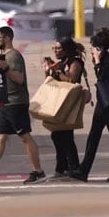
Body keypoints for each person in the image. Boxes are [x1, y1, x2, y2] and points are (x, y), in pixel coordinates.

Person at [0, 26, 47, 185]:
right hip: (5, 103)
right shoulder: (5, 56)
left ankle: (38, 171)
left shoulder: (14, 56)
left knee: (25, 136)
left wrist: (5, 69)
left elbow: (19, 78)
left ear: (7, 38)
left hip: (16, 103)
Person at [69, 28, 109, 182]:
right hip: (104, 105)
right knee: (94, 137)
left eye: (92, 47)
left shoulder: (107, 61)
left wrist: (97, 62)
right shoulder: (106, 59)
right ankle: (84, 170)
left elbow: (103, 81)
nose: (90, 49)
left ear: (98, 48)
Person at [41, 37, 85, 179]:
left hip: (69, 103)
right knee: (57, 134)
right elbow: (50, 82)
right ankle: (62, 167)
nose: (56, 51)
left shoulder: (75, 62)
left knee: (66, 135)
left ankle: (73, 167)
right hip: (59, 103)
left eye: (59, 48)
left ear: (67, 49)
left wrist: (58, 71)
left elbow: (71, 80)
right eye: (54, 48)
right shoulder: (60, 64)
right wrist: (48, 71)